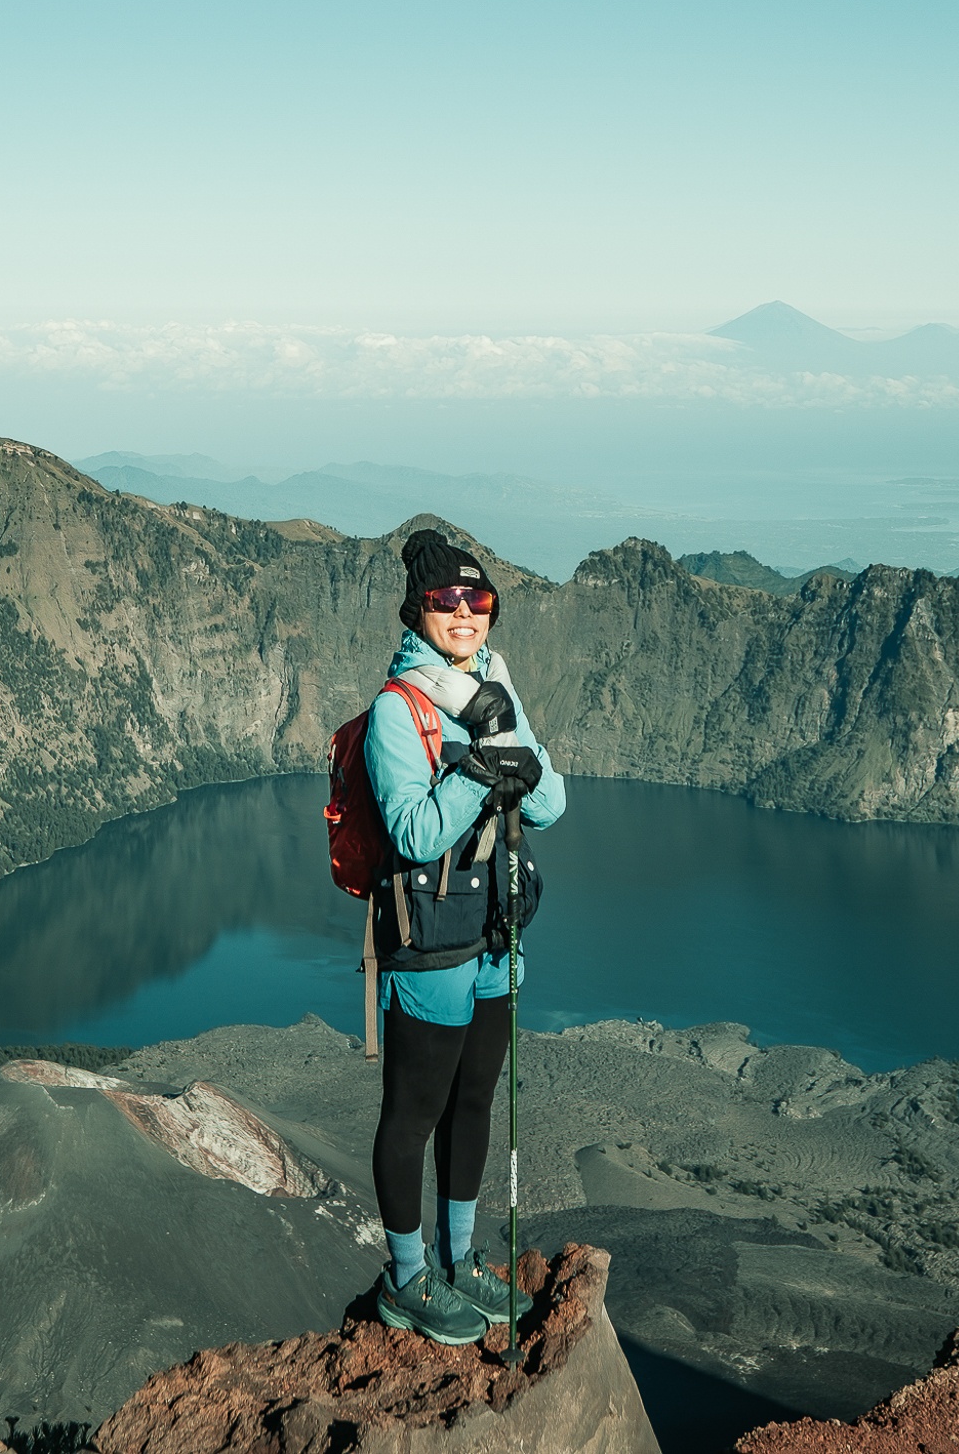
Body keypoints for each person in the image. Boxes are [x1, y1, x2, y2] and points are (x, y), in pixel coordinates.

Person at [364, 528, 566, 1344]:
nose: (463, 613)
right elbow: (412, 833)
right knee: (413, 1112)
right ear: (417, 610)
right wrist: (478, 769)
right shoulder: (397, 709)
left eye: (476, 600)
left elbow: (549, 807)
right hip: (429, 943)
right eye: (445, 600)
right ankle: (406, 1278)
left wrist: (509, 737)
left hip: (494, 937)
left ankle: (460, 1259)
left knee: (474, 1100)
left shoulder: (495, 697)